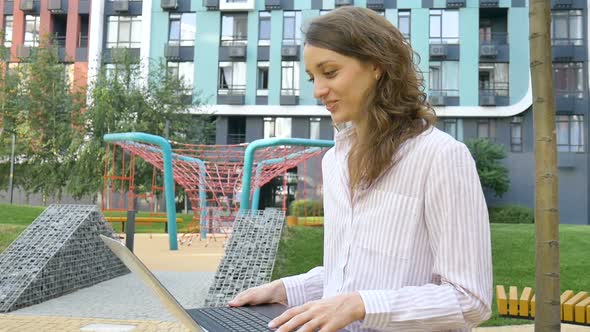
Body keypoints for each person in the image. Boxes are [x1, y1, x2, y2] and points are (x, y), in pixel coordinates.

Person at [229, 6, 492, 332]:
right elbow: (353, 271)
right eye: (313, 77)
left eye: (330, 72)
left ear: (377, 65)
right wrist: (287, 289)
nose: (317, 90)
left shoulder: (442, 157)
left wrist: (362, 305)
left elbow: (470, 300)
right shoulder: (334, 161)